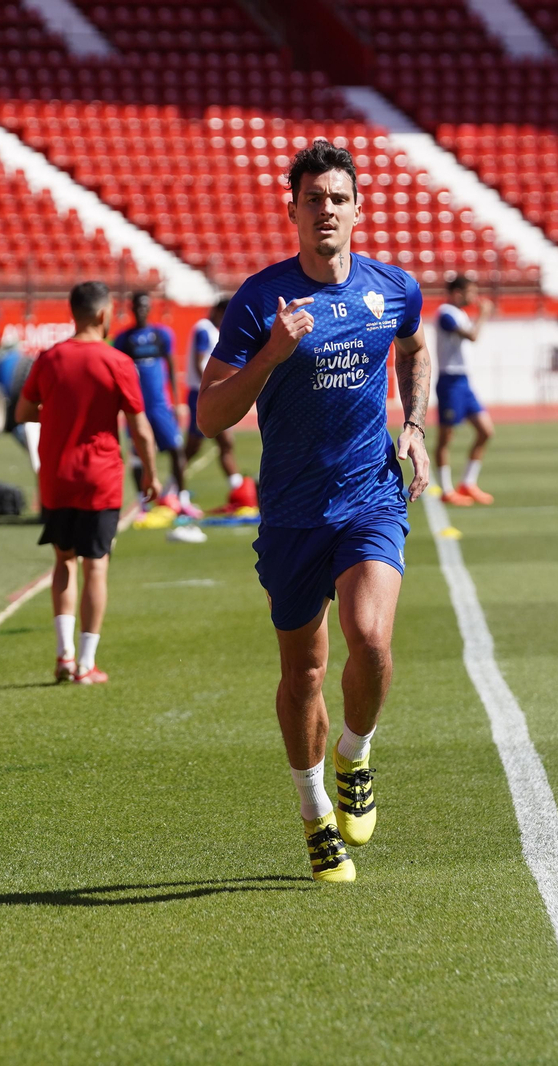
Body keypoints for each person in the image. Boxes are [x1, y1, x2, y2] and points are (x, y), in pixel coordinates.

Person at [197, 141, 431, 883]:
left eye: (338, 198)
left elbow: (416, 349)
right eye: (312, 199)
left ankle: (355, 755)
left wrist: (415, 426)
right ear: (291, 208)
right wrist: (269, 353)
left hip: (370, 497)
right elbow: (209, 415)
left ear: (358, 209)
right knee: (303, 676)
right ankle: (312, 812)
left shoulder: (392, 288)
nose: (325, 210)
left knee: (372, 639)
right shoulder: (260, 299)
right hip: (293, 514)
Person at [17, 281, 161, 684]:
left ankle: (63, 657)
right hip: (100, 477)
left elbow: (24, 410)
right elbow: (140, 427)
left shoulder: (49, 359)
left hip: (57, 476)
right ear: (103, 314)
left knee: (63, 560)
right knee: (96, 565)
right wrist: (150, 471)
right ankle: (86, 663)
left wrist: (61, 414)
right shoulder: (117, 361)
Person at [114, 291, 195, 516]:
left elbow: (170, 369)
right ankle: (143, 503)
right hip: (136, 408)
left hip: (161, 406)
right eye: (137, 306)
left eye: (145, 306)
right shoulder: (123, 339)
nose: (141, 310)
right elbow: (118, 374)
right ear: (132, 309)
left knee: (176, 449)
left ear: (150, 309)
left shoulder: (162, 335)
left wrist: (177, 404)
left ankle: (182, 499)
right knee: (137, 455)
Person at [184, 296, 257, 509]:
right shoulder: (203, 329)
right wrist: (208, 390)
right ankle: (175, 491)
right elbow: (200, 363)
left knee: (210, 445)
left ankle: (238, 489)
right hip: (202, 394)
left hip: (207, 393)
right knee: (204, 445)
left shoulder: (213, 331)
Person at [432, 274, 496, 507]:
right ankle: (447, 490)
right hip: (450, 382)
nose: (475, 297)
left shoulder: (460, 314)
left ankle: (468, 483)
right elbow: (472, 336)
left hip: (464, 382)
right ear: (457, 292)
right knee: (446, 438)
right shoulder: (446, 314)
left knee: (486, 431)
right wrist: (484, 315)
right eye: (471, 292)